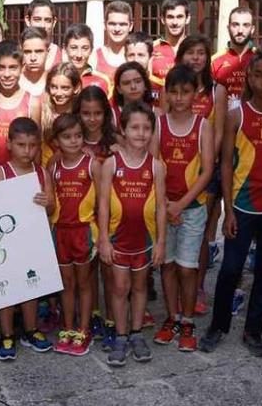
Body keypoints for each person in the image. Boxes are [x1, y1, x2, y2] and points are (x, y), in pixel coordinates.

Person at [199, 49, 262, 356]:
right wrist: (228, 209)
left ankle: (254, 331)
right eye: (258, 74)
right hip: (242, 207)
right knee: (230, 268)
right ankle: (218, 326)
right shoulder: (236, 115)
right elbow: (227, 165)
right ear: (249, 78)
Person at [98, 101, 167, 367]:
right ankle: (120, 335)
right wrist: (103, 238)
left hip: (144, 241)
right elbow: (103, 204)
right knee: (119, 288)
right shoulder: (111, 164)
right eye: (134, 127)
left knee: (140, 287)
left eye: (146, 128)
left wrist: (161, 242)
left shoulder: (156, 167)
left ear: (152, 131)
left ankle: (137, 333)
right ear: (123, 130)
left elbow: (161, 206)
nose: (140, 133)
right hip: (117, 240)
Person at [151, 65, 214, 352]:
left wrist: (180, 205)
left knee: (187, 269)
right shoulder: (159, 124)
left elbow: (207, 172)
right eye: (173, 92)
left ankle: (188, 320)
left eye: (185, 92)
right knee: (167, 266)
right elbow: (152, 166)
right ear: (166, 93)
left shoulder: (203, 125)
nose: (178, 98)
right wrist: (165, 205)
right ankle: (172, 317)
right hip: (164, 208)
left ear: (196, 93)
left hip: (192, 209)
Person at [0, 117, 55, 360]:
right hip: (7, 246)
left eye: (32, 146)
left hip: (32, 242)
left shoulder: (42, 172)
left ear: (38, 145)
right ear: (9, 144)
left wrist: (47, 202)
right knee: (6, 289)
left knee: (31, 287)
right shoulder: (1, 173)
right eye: (21, 145)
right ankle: (7, 334)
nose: (27, 151)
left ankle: (31, 330)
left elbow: (51, 207)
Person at [173, 36, 228, 314]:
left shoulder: (217, 89)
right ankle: (176, 287)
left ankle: (198, 286)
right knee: (176, 225)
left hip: (205, 169)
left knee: (203, 230)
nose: (196, 58)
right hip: (175, 167)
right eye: (190, 53)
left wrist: (204, 164)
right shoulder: (173, 89)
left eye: (201, 53)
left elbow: (217, 134)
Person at [49, 113, 101, 357]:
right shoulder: (53, 165)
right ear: (56, 140)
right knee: (66, 283)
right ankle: (68, 328)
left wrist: (102, 236)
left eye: (78, 136)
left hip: (84, 231)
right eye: (67, 137)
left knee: (84, 282)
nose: (73, 141)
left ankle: (83, 328)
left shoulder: (92, 164)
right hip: (60, 231)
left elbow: (103, 203)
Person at [72, 86, 118, 345]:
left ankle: (112, 320)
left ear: (106, 114)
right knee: (86, 273)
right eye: (86, 113)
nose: (91, 119)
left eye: (97, 113)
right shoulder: (72, 140)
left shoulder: (116, 143)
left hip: (111, 216)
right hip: (83, 217)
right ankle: (92, 316)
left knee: (110, 272)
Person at [0, 41, 41, 173]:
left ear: (22, 67)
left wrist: (36, 179)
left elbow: (36, 147)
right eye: (1, 67)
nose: (7, 74)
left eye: (13, 67)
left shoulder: (32, 103)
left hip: (21, 180)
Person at [211, 6, 257, 108]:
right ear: (228, 28)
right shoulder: (214, 61)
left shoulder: (260, 59)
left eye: (246, 25)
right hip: (223, 121)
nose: (240, 30)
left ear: (252, 29)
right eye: (235, 25)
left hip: (254, 121)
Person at [40, 62, 82, 167]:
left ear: (76, 88)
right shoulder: (41, 113)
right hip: (45, 170)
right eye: (54, 87)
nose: (58, 93)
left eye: (65, 88)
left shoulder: (82, 114)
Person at [151, 0, 190, 96]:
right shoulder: (151, 49)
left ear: (188, 18)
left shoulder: (195, 50)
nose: (175, 23)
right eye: (170, 17)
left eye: (180, 17)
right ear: (163, 19)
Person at [63, 23, 113, 98]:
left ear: (91, 50)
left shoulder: (103, 81)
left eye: (85, 48)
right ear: (65, 49)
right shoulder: (57, 79)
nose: (79, 55)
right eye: (74, 48)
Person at [111, 61, 158, 132]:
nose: (133, 87)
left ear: (145, 85)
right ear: (119, 89)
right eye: (126, 83)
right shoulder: (112, 116)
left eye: (138, 81)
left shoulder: (157, 113)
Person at [91, 1, 133, 77]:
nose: (117, 29)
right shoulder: (93, 57)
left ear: (130, 26)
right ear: (105, 25)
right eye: (112, 24)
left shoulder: (136, 56)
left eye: (122, 24)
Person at [25, 0, 63, 69]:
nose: (42, 25)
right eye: (37, 19)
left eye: (47, 20)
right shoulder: (16, 56)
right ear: (28, 20)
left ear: (54, 22)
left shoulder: (62, 58)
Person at [123, 31, 156, 102]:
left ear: (150, 57)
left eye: (141, 55)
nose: (136, 60)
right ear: (125, 57)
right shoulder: (119, 86)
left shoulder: (160, 87)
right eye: (131, 55)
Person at [19, 27, 50, 98]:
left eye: (39, 52)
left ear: (47, 52)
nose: (33, 58)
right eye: (27, 52)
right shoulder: (12, 82)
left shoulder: (55, 82)